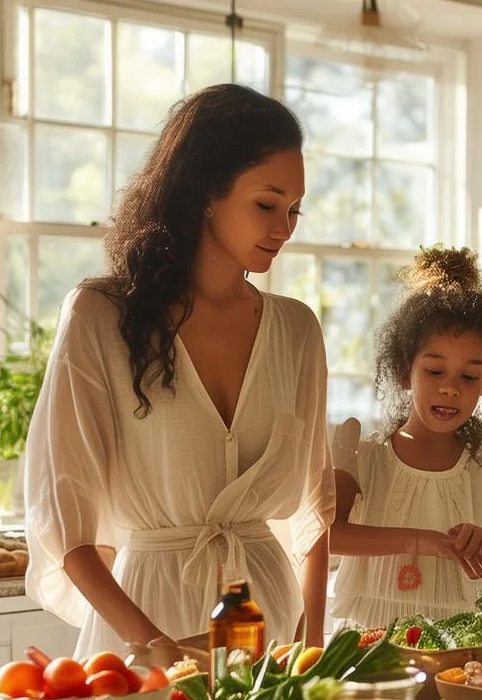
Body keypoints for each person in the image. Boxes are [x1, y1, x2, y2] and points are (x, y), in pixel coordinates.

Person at [23, 84, 335, 661]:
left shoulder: (297, 331)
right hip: (145, 619)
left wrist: (312, 648)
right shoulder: (102, 314)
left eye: (294, 209)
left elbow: (317, 509)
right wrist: (157, 646)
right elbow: (64, 524)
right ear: (207, 192)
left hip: (268, 620)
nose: (285, 227)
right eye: (267, 204)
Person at [329, 246, 482, 628]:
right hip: (373, 634)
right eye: (435, 371)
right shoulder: (363, 454)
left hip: (458, 629)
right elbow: (329, 536)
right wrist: (421, 541)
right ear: (406, 372)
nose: (450, 389)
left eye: (469, 377)